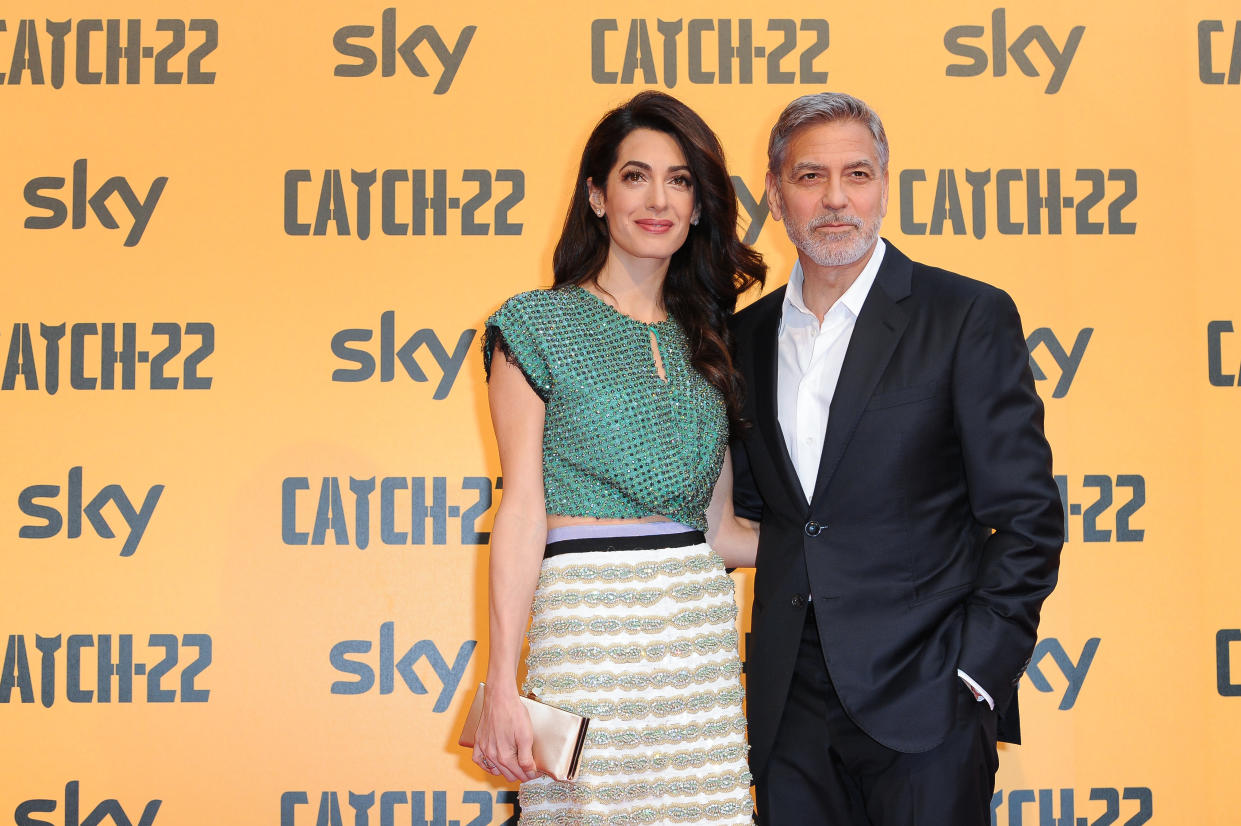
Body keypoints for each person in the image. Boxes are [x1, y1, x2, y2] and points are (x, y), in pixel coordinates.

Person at [729, 92, 1064, 825]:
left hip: (927, 696)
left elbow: (1029, 516)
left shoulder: (963, 315)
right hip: (788, 704)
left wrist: (975, 672)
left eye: (857, 173)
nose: (835, 199)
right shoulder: (741, 338)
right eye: (809, 176)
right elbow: (756, 514)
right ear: (775, 196)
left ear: (884, 185)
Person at [473, 91, 766, 825]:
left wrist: (859, 539)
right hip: (586, 633)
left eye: (679, 180)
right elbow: (520, 508)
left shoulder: (712, 342)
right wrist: (499, 686)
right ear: (597, 195)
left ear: (699, 206)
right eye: (635, 176)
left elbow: (722, 529)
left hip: (695, 643)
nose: (657, 199)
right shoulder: (535, 323)